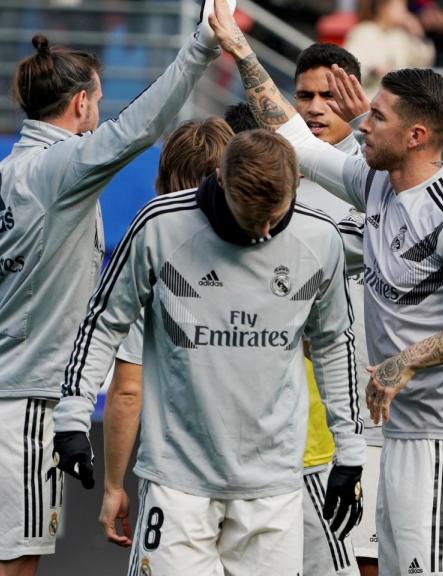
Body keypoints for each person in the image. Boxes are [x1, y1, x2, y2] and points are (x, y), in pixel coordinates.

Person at [207, 3, 443, 574]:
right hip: (399, 435)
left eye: (375, 116)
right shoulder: (375, 183)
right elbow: (293, 140)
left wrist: (405, 361)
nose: (361, 124)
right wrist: (238, 46)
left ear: (417, 135)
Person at [0, 2, 227, 573]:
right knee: (15, 564)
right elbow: (140, 128)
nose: (100, 111)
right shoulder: (62, 168)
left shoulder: (0, 178)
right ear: (79, 104)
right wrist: (200, 47)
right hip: (20, 401)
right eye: (97, 100)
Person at [55, 129, 366, 575]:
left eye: (274, 217)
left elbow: (336, 344)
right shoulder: (159, 226)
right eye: (250, 215)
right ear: (220, 179)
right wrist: (72, 417)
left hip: (273, 484)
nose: (263, 231)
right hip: (177, 480)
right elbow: (103, 322)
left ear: (296, 184)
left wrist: (350, 452)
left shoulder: (319, 237)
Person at [224, 42, 377, 576]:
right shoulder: (271, 191)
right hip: (293, 424)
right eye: (304, 95)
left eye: (328, 96)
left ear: (354, 99)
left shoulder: (376, 185)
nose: (314, 107)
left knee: (367, 560)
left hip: (371, 415)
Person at [98, 116, 234, 550]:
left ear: (163, 179)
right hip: (267, 477)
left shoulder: (149, 251)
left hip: (177, 476)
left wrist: (113, 484)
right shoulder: (277, 248)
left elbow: (127, 390)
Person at [344, 0, 435, 98]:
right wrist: (373, 70)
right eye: (400, 7)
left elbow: (424, 62)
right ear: (384, 8)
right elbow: (350, 66)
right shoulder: (363, 31)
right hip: (370, 98)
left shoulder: (401, 35)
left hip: (399, 100)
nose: (405, 12)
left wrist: (418, 34)